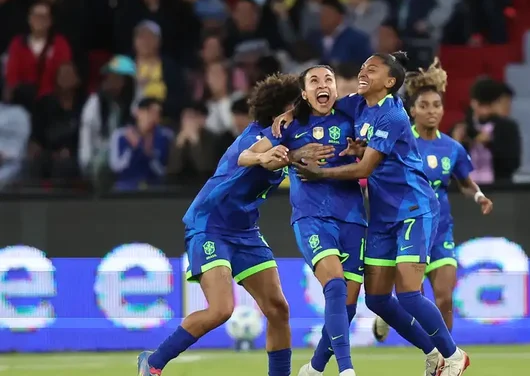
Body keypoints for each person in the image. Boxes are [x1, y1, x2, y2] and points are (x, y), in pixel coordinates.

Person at [288, 53, 471, 376]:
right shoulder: (357, 104)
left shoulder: (393, 116)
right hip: (382, 215)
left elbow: (365, 168)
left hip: (413, 207)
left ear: (389, 82)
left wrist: (321, 174)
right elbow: (322, 105)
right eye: (361, 67)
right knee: (376, 300)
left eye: (371, 70)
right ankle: (431, 353)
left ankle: (453, 354)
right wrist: (286, 115)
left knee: (410, 294)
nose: (362, 73)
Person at [137, 73, 307, 376]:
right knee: (221, 310)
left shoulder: (293, 138)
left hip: (245, 231)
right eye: (295, 106)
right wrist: (266, 157)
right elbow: (248, 156)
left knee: (279, 310)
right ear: (278, 110)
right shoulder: (256, 136)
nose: (300, 111)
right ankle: (153, 362)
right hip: (210, 225)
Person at [242, 65, 363, 376]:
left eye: (328, 80)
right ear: (305, 94)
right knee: (334, 285)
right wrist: (284, 156)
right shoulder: (290, 127)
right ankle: (347, 370)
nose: (322, 85)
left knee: (347, 305)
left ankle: (315, 369)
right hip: (312, 217)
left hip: (353, 217)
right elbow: (246, 156)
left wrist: (360, 150)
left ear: (336, 89)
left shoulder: (352, 116)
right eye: (314, 81)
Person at [389, 58, 494, 331]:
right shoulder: (399, 143)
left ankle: (446, 361)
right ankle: (387, 310)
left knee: (444, 298)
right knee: (412, 299)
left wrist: (479, 196)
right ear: (412, 110)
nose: (431, 111)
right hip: (409, 230)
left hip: (441, 230)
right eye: (424, 106)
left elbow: (465, 182)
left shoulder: (452, 148)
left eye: (436, 105)